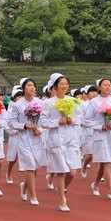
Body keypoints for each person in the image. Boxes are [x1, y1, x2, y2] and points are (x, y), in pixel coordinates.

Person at [40, 74, 82, 212]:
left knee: (72, 172)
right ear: (55, 86)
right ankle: (61, 200)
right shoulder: (48, 103)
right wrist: (57, 121)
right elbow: (43, 122)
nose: (64, 86)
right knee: (61, 172)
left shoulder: (73, 101)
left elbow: (79, 118)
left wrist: (72, 120)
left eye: (66, 84)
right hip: (56, 139)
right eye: (61, 84)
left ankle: (62, 189)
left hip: (70, 138)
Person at [7, 78, 45, 206]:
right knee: (30, 166)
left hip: (37, 138)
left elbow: (43, 120)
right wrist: (24, 126)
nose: (32, 88)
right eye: (29, 86)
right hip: (23, 138)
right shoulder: (18, 105)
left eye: (33, 86)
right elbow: (11, 122)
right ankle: (33, 195)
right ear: (24, 88)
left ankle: (24, 187)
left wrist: (39, 129)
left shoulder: (40, 102)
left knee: (35, 168)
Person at [83, 78, 111, 200]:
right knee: (107, 163)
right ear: (99, 87)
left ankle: (95, 184)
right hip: (99, 135)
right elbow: (87, 121)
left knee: (105, 162)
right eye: (105, 85)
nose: (108, 87)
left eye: (109, 85)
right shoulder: (94, 102)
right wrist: (100, 126)